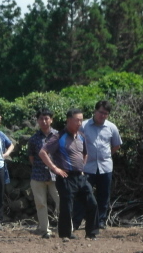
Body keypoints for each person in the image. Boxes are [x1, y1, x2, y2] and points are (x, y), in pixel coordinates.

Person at [39, 108, 98, 241]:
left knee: (92, 203)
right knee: (67, 206)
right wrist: (55, 168)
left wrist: (82, 167)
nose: (79, 123)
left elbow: (85, 153)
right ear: (69, 120)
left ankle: (91, 233)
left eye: (81, 120)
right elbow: (43, 152)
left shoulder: (81, 136)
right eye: (77, 120)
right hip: (66, 176)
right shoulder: (59, 136)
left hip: (80, 176)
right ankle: (66, 234)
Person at [79, 100, 122, 230]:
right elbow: (76, 144)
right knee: (84, 194)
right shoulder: (84, 126)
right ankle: (82, 219)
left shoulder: (111, 127)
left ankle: (101, 221)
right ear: (95, 111)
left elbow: (116, 145)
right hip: (87, 166)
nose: (102, 115)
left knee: (104, 195)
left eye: (106, 113)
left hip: (105, 167)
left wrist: (106, 155)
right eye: (101, 112)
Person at [27, 108, 60, 239]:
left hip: (56, 175)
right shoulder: (34, 139)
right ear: (37, 120)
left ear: (51, 120)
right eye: (41, 119)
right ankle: (45, 229)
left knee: (62, 201)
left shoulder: (59, 136)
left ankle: (65, 227)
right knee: (40, 203)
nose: (44, 121)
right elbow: (31, 158)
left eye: (46, 118)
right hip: (38, 175)